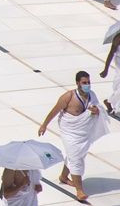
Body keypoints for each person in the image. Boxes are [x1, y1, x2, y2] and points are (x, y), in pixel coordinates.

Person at [39, 71, 109, 202]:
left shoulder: (91, 95)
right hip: (69, 131)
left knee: (76, 154)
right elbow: (54, 111)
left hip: (83, 132)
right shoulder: (68, 97)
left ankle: (64, 177)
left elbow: (99, 108)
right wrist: (44, 125)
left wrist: (97, 111)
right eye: (84, 82)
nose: (87, 85)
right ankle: (79, 190)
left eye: (88, 82)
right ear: (78, 83)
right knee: (76, 158)